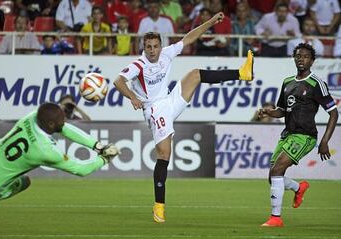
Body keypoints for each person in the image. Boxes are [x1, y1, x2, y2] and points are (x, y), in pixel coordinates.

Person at [113, 11, 254, 223]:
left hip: (170, 100)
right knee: (164, 155)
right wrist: (133, 97)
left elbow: (189, 37)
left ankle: (242, 73)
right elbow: (118, 81)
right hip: (154, 109)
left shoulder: (167, 54)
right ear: (143, 47)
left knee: (195, 74)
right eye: (148, 47)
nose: (152, 51)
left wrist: (210, 22)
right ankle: (159, 206)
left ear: (160, 46)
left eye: (155, 46)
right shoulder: (138, 65)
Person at [0, 102, 117, 214]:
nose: (64, 124)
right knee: (24, 182)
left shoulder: (31, 117)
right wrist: (104, 158)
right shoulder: (47, 152)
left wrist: (97, 145)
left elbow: (64, 129)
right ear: (50, 124)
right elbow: (81, 169)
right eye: (61, 121)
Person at [259, 43, 338, 227]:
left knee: (277, 171)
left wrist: (325, 141)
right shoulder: (288, 82)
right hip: (287, 134)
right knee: (273, 176)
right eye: (298, 56)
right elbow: (282, 111)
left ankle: (275, 218)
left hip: (305, 136)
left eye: (305, 56)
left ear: (312, 60)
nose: (300, 59)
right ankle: (298, 187)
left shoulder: (316, 84)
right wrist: (269, 112)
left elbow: (333, 113)